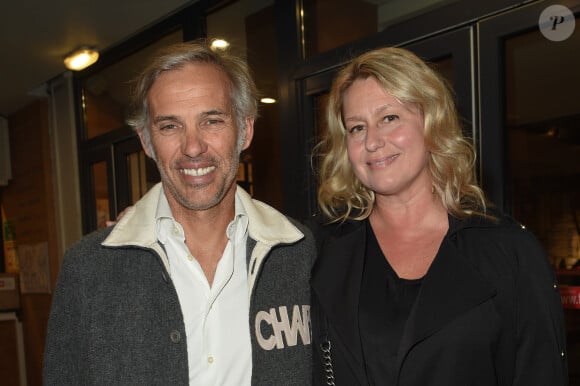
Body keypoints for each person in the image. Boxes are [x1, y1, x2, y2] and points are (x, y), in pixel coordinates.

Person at [43, 39, 315, 386]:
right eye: (170, 126)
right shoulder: (88, 270)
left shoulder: (301, 253)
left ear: (244, 131)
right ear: (146, 141)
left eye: (212, 121)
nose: (193, 147)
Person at [309, 46, 568, 385]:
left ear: (432, 121)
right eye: (357, 128)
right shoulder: (319, 250)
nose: (372, 141)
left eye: (390, 118)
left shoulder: (510, 252)